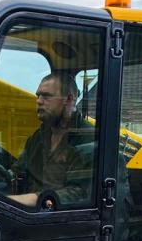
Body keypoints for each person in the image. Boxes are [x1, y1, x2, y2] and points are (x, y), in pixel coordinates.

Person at [10, 71, 95, 209]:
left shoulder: (89, 140)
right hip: (31, 215)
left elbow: (79, 194)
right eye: (38, 95)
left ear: (69, 99)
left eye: (46, 96)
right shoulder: (39, 137)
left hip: (64, 222)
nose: (38, 101)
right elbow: (18, 172)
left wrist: (32, 199)